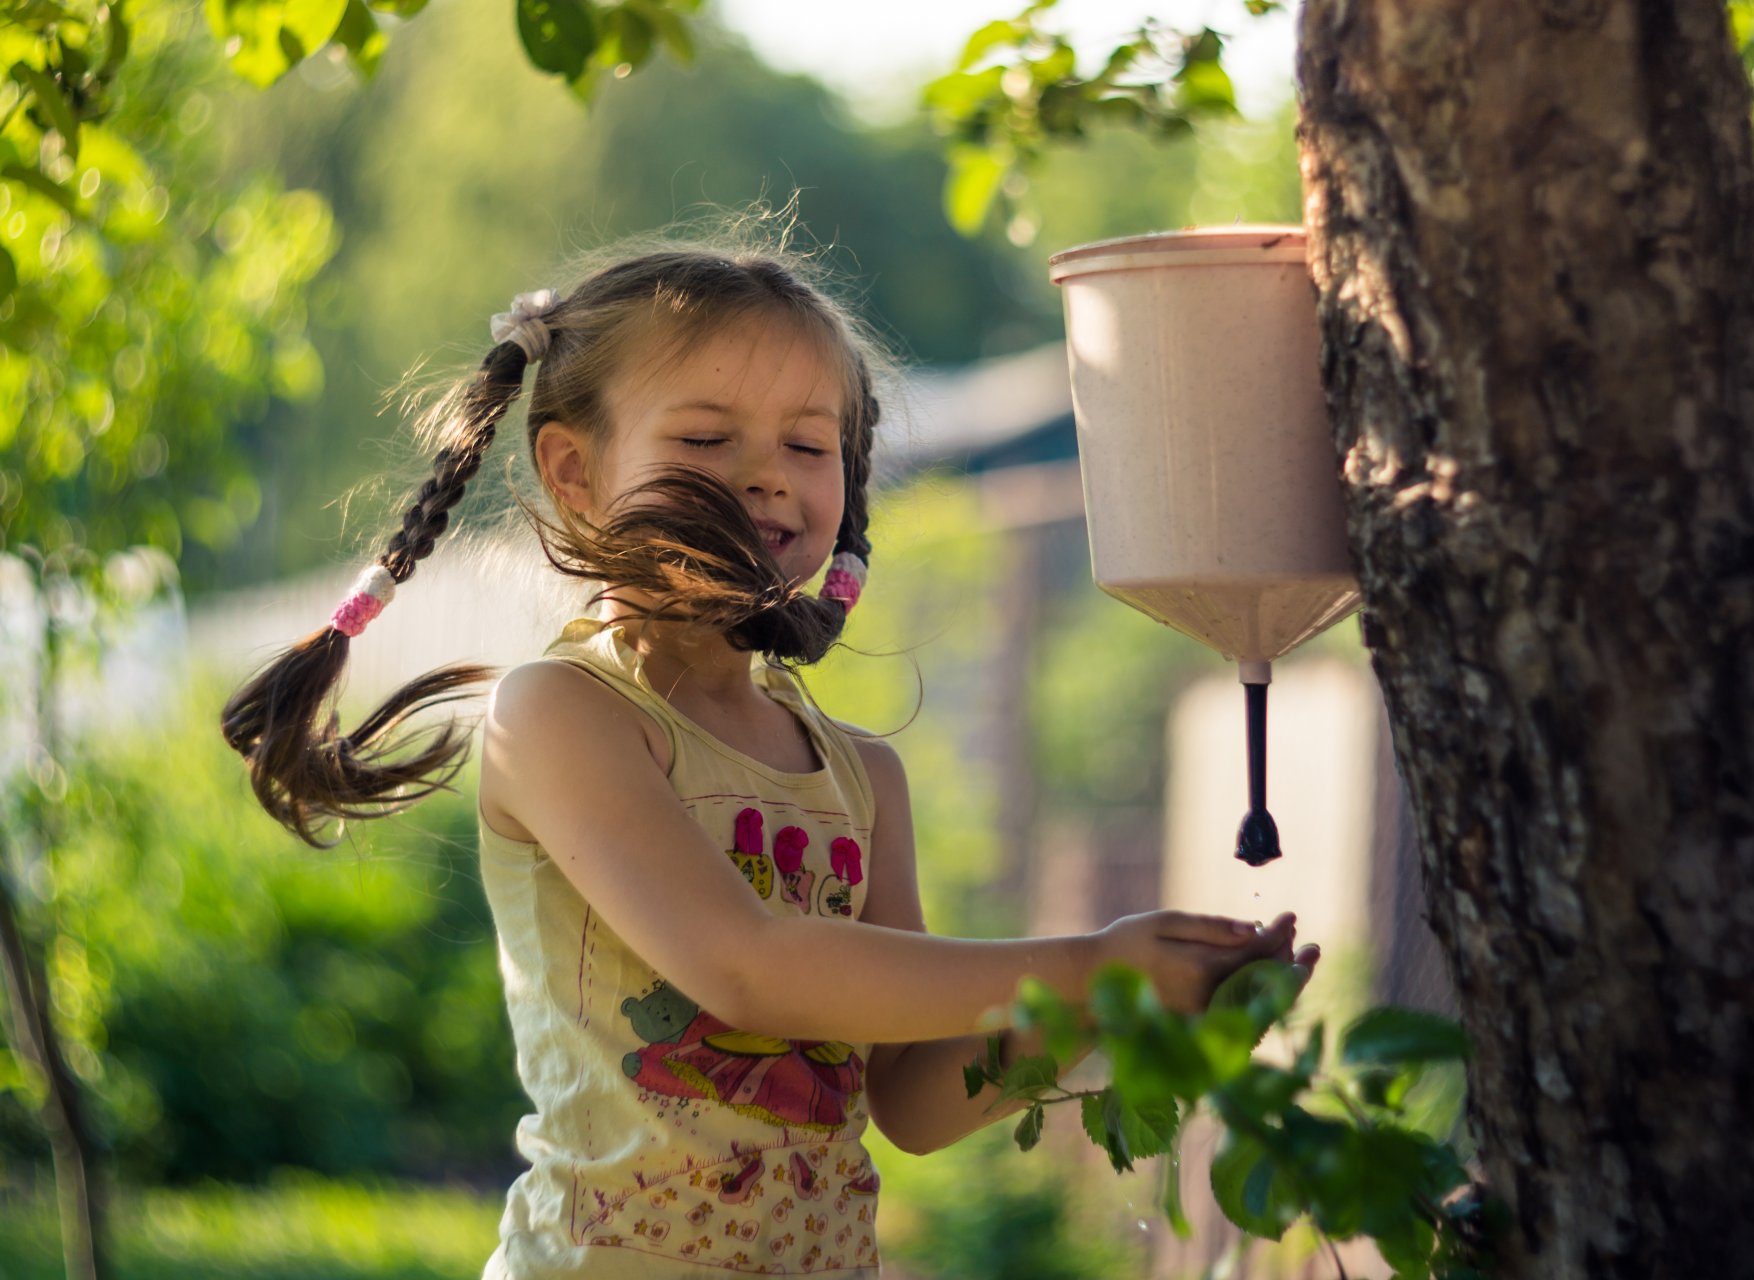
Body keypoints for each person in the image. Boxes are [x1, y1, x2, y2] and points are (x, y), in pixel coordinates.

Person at [221, 234, 1320, 1278]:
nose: (766, 476)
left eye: (807, 445)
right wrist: (1086, 960)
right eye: (707, 442)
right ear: (574, 470)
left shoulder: (861, 777)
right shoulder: (563, 715)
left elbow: (913, 1097)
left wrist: (1122, 1005)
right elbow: (746, 966)